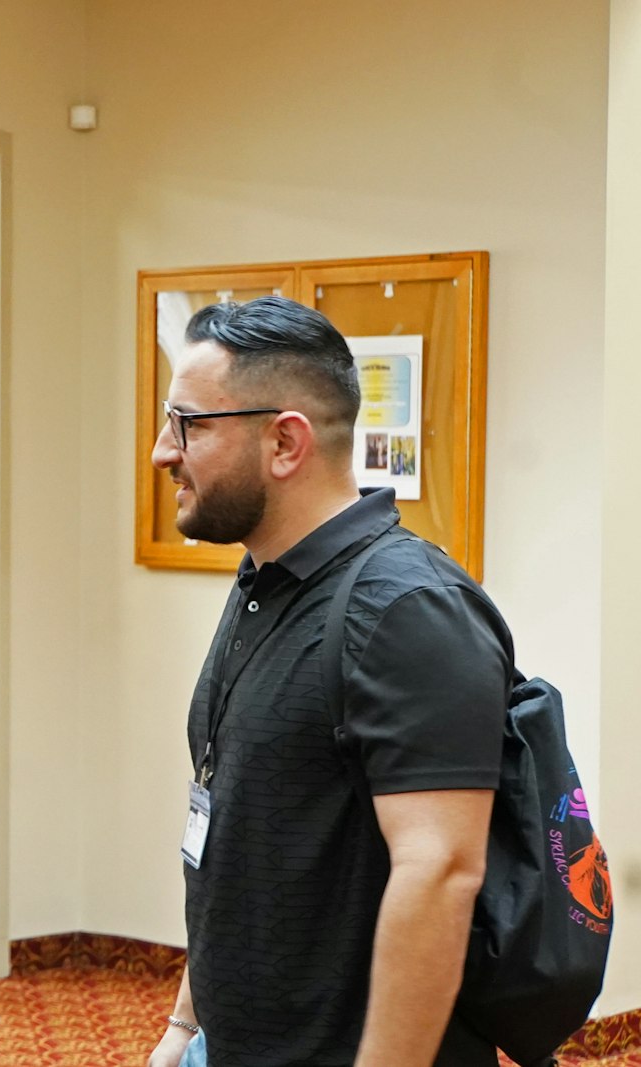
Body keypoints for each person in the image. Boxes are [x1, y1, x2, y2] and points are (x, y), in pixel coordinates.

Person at [145, 296, 512, 1067]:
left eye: (188, 424)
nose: (160, 451)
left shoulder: (406, 609)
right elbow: (235, 828)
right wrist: (186, 1027)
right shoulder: (266, 581)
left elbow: (441, 871)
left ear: (285, 442)